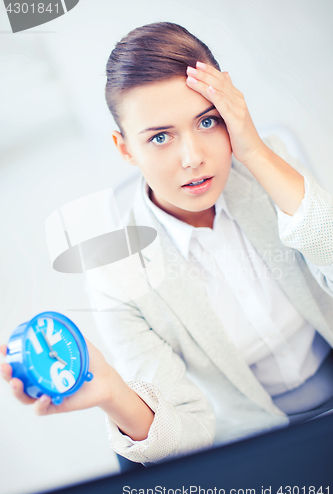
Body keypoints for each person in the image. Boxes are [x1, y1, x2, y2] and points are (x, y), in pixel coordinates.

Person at [1, 22, 333, 466]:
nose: (192, 156)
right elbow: (189, 432)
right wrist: (114, 394)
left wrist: (253, 151)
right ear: (125, 150)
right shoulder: (116, 275)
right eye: (160, 137)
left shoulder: (268, 170)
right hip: (256, 446)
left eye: (207, 121)